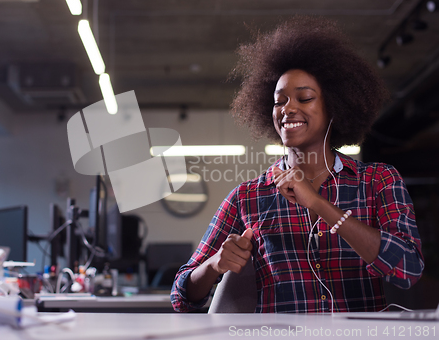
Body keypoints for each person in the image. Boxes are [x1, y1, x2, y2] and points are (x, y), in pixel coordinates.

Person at [171, 17, 424, 313]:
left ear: (334, 106)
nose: (288, 108)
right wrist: (215, 264)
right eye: (280, 101)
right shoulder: (248, 198)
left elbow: (409, 269)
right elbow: (181, 297)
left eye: (304, 98)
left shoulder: (377, 181)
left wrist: (318, 203)